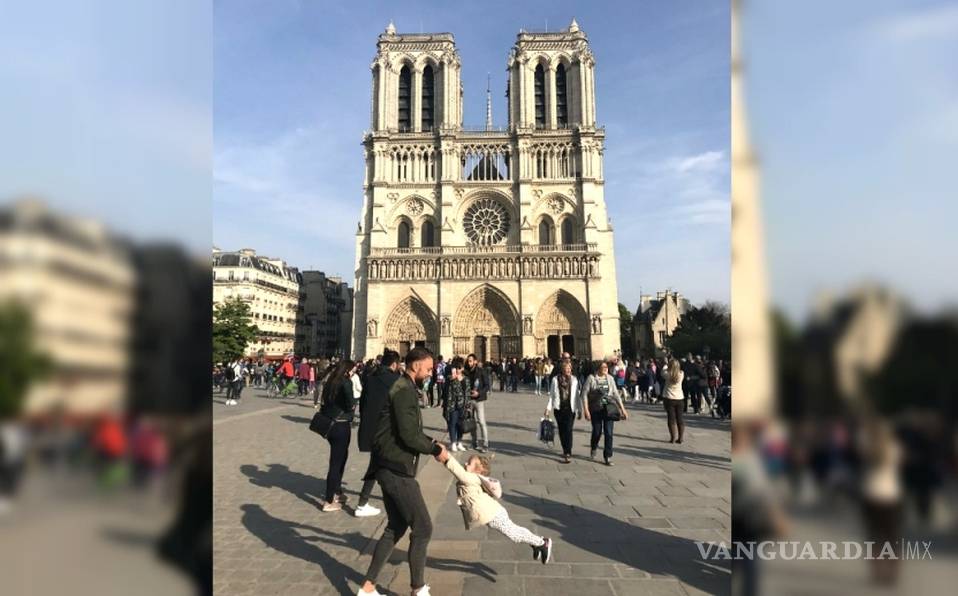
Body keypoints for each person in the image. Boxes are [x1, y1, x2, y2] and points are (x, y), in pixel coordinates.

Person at [358, 347, 445, 596]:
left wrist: (432, 443)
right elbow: (408, 435)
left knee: (395, 526)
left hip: (386, 464)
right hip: (396, 468)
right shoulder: (404, 390)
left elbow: (406, 429)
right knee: (424, 527)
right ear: (416, 366)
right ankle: (418, 589)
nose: (430, 374)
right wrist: (434, 450)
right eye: (428, 369)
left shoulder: (402, 386)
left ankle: (367, 588)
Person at [437, 450, 554, 563]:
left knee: (514, 535)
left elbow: (459, 472)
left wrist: (447, 457)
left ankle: (542, 543)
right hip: (493, 513)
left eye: (469, 464)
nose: (465, 464)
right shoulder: (471, 479)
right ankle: (536, 543)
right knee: (515, 530)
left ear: (478, 471)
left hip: (494, 514)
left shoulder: (472, 478)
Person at [354, 350, 402, 518]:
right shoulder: (395, 380)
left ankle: (364, 502)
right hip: (387, 430)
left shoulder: (370, 378)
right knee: (391, 463)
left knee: (378, 464)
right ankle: (365, 503)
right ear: (395, 364)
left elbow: (363, 404)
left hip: (370, 428)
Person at [317, 360, 358, 512]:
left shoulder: (330, 381)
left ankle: (337, 492)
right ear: (347, 370)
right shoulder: (345, 382)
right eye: (353, 370)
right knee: (336, 463)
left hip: (330, 425)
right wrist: (353, 404)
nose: (354, 372)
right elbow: (350, 404)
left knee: (339, 459)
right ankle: (328, 500)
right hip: (341, 426)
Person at [581, 361, 628, 465]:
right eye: (603, 367)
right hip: (596, 408)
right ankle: (594, 447)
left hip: (609, 408)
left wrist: (623, 409)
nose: (606, 368)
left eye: (606, 367)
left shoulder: (610, 378)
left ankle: (608, 456)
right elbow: (584, 394)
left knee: (609, 432)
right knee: (597, 431)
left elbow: (615, 393)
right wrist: (586, 409)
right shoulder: (591, 378)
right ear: (598, 368)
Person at [544, 360, 580, 463]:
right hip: (559, 408)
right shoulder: (555, 380)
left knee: (568, 429)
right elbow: (552, 395)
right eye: (566, 368)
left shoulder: (574, 380)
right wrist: (548, 408)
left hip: (570, 408)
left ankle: (568, 451)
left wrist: (580, 409)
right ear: (562, 369)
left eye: (569, 368)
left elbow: (577, 396)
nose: (568, 370)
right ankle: (565, 448)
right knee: (562, 430)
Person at [464, 354, 491, 453]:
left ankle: (485, 443)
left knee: (481, 421)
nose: (469, 362)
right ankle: (474, 442)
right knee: (471, 422)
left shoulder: (481, 371)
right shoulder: (466, 371)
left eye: (470, 361)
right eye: (468, 361)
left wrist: (479, 393)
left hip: (479, 400)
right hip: (470, 400)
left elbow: (487, 386)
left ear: (475, 361)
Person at [441, 362, 468, 452]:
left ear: (462, 369)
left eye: (459, 368)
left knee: (460, 425)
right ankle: (453, 442)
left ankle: (459, 442)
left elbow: (467, 392)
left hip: (462, 405)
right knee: (452, 424)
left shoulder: (466, 379)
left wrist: (467, 405)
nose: (457, 370)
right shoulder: (450, 379)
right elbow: (445, 390)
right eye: (456, 368)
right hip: (452, 405)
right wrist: (451, 379)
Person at [662, 358, 686, 444]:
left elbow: (663, 370)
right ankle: (681, 438)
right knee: (680, 418)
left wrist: (666, 363)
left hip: (669, 398)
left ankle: (672, 438)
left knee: (671, 419)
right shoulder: (681, 374)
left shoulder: (667, 374)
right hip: (680, 398)